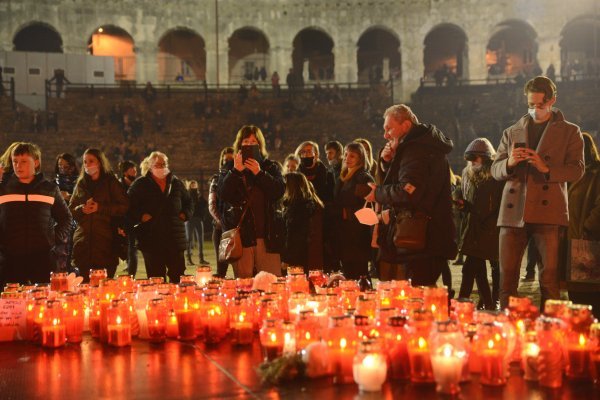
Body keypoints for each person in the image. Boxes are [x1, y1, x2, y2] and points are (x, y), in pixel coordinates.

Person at [491, 76, 584, 309]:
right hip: (513, 213)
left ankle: (550, 329)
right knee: (507, 279)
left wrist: (546, 168)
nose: (534, 110)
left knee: (550, 280)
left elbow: (577, 170)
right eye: (530, 105)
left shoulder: (571, 132)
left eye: (540, 105)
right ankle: (507, 328)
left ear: (552, 100)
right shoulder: (512, 131)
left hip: (549, 213)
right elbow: (494, 169)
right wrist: (510, 163)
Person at [365, 104, 457, 286]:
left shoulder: (416, 151)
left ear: (406, 126)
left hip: (422, 239)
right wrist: (387, 162)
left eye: (389, 128)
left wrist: (378, 194)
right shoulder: (420, 146)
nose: (385, 135)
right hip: (425, 237)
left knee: (419, 296)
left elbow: (408, 192)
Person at [0, 142, 72, 287]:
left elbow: (66, 219)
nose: (18, 166)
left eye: (24, 161)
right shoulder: (4, 188)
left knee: (44, 303)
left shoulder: (49, 189)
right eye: (15, 161)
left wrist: (52, 239)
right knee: (13, 305)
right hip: (11, 259)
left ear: (36, 162)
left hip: (42, 259)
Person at [218, 125, 285, 278]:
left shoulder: (270, 166)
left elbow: (278, 191)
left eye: (253, 141)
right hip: (242, 237)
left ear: (260, 145)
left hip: (267, 236)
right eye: (246, 141)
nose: (249, 145)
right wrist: (235, 171)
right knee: (245, 283)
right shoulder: (229, 167)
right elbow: (223, 194)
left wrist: (259, 173)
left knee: (270, 282)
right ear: (239, 144)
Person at [128, 152, 193, 283]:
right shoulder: (140, 184)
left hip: (175, 239)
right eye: (157, 164)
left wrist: (185, 214)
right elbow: (129, 205)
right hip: (152, 241)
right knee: (156, 280)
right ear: (150, 166)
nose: (161, 167)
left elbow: (189, 202)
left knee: (178, 278)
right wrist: (140, 216)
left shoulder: (176, 183)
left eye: (164, 164)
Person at [456, 138, 504, 310]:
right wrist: (460, 203)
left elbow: (498, 204)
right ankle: (488, 303)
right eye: (470, 159)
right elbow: (463, 195)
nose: (472, 162)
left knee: (473, 268)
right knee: (476, 269)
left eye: (475, 158)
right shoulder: (467, 174)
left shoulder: (496, 176)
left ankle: (464, 301)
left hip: (489, 229)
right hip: (473, 227)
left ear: (485, 157)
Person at [69, 149, 129, 281]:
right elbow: (70, 210)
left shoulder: (111, 182)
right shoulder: (81, 184)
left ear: (100, 162)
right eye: (85, 162)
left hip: (105, 245)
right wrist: (82, 209)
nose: (87, 165)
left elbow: (124, 206)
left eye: (91, 161)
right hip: (82, 246)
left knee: (103, 289)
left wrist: (100, 207)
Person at [566, 132, 600, 316]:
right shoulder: (572, 174)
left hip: (589, 243)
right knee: (577, 297)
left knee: (591, 298)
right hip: (573, 243)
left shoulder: (596, 173)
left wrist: (588, 228)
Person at [333, 142, 374, 280]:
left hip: (357, 234)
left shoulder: (363, 177)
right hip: (343, 232)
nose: (347, 158)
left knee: (360, 273)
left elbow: (367, 206)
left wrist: (346, 212)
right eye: (345, 155)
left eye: (352, 156)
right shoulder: (343, 176)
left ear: (360, 158)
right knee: (348, 273)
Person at [281, 172, 324, 272]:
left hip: (298, 256)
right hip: (309, 254)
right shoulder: (310, 204)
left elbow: (293, 236)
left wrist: (287, 258)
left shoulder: (296, 208)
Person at [209, 147, 235, 278]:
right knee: (221, 269)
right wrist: (223, 222)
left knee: (242, 269)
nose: (228, 162)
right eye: (226, 160)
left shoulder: (241, 178)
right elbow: (212, 205)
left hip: (237, 228)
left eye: (231, 159)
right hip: (221, 229)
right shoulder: (216, 179)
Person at [118, 160, 139, 277]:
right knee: (125, 248)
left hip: (134, 221)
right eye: (132, 169)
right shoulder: (119, 185)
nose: (135, 171)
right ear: (125, 172)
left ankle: (132, 274)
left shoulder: (137, 183)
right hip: (123, 220)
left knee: (132, 248)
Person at [186, 179, 209, 265]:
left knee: (200, 239)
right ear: (189, 186)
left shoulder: (199, 195)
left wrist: (202, 216)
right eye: (192, 184)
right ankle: (188, 259)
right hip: (190, 219)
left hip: (198, 219)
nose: (194, 185)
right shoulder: (188, 195)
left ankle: (201, 258)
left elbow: (204, 205)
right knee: (189, 239)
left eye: (195, 184)